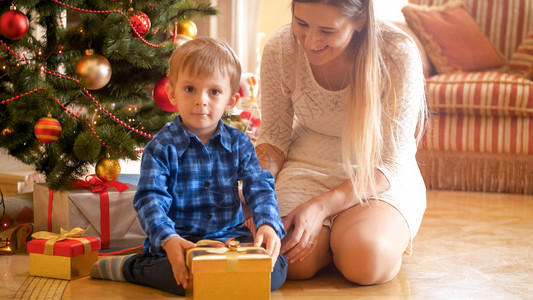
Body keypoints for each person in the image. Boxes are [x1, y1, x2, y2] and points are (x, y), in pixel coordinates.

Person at [90, 37, 288, 295]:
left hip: (230, 240)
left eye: (214, 92)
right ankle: (131, 267)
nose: (201, 100)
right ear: (172, 93)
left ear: (231, 101)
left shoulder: (239, 143)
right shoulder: (161, 146)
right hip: (182, 242)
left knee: (278, 270)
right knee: (183, 277)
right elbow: (150, 198)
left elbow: (258, 185)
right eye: (190, 89)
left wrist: (267, 224)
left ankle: (220, 280)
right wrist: (169, 240)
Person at [255, 0, 427, 285]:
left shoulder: (397, 54)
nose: (311, 42)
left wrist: (320, 207)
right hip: (306, 166)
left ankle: (349, 239)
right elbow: (274, 139)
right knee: (287, 262)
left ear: (360, 18)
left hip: (375, 175)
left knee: (365, 260)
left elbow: (390, 162)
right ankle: (332, 245)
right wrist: (256, 189)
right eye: (302, 24)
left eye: (327, 30)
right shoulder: (281, 48)